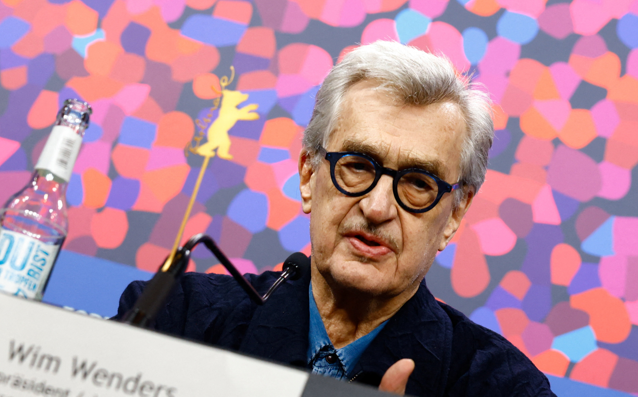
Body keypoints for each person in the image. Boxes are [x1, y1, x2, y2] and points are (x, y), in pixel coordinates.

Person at [116, 40, 555, 396]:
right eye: (359, 165)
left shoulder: (506, 389)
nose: (378, 208)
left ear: (455, 213)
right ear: (309, 174)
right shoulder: (176, 319)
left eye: (418, 182)